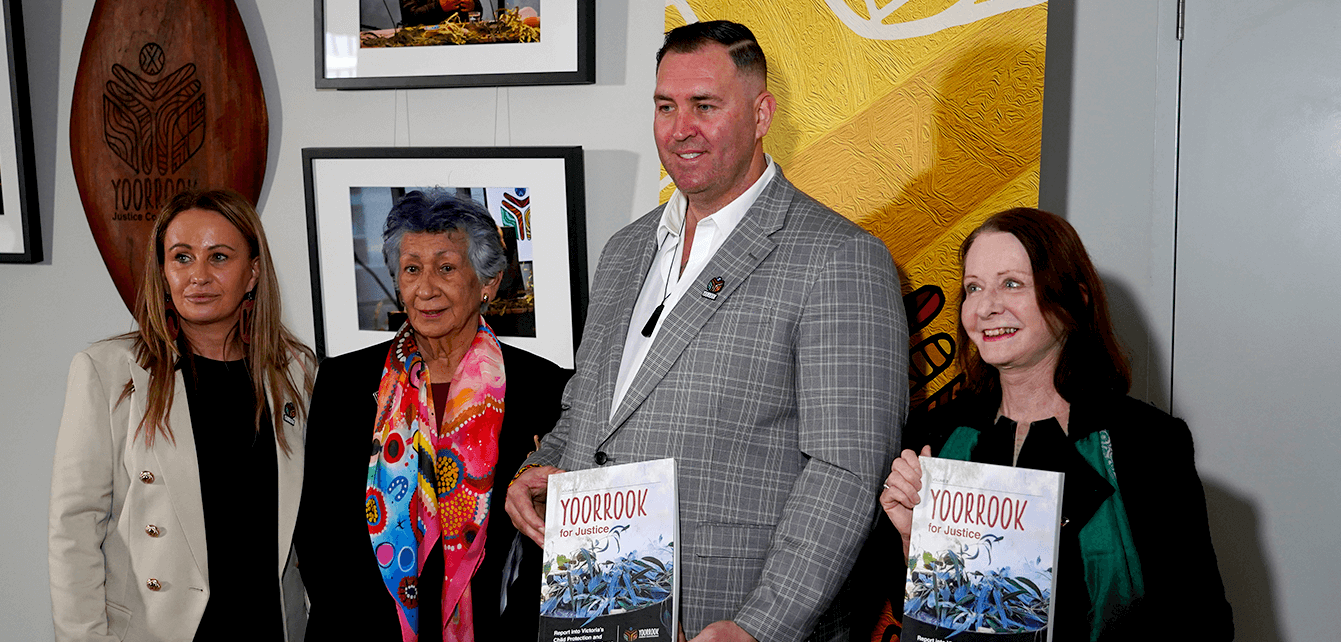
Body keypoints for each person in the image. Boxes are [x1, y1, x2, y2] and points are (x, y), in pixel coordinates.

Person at [505, 20, 906, 642]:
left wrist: (758, 627)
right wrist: (542, 464)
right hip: (590, 608)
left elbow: (846, 471)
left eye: (705, 106)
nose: (679, 127)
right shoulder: (626, 249)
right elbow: (590, 413)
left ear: (762, 113)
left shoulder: (839, 258)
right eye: (665, 106)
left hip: (727, 617)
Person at [878, 207, 1233, 640]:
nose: (987, 307)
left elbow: (1203, 622)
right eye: (974, 287)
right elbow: (918, 618)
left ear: (1074, 300)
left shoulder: (1148, 442)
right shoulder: (934, 434)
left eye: (1012, 284)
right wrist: (915, 542)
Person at [294, 189, 569, 641]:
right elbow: (321, 536)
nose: (425, 289)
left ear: (488, 282)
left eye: (446, 268)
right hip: (365, 630)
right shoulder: (344, 382)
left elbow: (548, 544)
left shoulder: (545, 388)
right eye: (412, 269)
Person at [48, 189, 317, 641]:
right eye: (182, 257)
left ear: (252, 273)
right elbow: (73, 531)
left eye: (219, 257)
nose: (199, 276)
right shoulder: (108, 372)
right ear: (163, 271)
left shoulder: (295, 372)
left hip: (270, 626)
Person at [400, 0, 476, 27]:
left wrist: (473, 5)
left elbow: (478, 11)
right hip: (425, 41)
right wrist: (438, 7)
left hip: (461, 38)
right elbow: (409, 16)